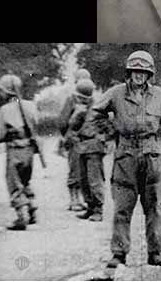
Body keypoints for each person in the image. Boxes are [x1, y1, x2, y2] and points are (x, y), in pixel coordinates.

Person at [92, 50, 161, 268]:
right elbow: (96, 113)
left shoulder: (159, 94)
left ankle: (156, 253)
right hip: (125, 155)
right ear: (129, 73)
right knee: (122, 207)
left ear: (148, 74)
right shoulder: (116, 93)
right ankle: (119, 253)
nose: (139, 76)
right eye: (135, 71)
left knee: (154, 207)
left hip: (150, 154)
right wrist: (111, 132)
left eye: (143, 72)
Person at [0, 75, 40, 230]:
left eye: (2, 90)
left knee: (14, 182)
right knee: (26, 180)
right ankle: (32, 209)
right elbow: (35, 125)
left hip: (14, 150)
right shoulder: (31, 106)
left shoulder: (5, 110)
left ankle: (22, 216)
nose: (0, 93)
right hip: (29, 150)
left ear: (8, 92)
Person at [69, 79, 110, 222]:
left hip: (94, 147)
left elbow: (110, 126)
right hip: (81, 147)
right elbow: (72, 126)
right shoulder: (80, 109)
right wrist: (77, 114)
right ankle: (90, 207)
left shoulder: (99, 108)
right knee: (83, 179)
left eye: (80, 97)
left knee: (94, 179)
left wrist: (102, 138)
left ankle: (98, 210)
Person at [59, 68, 92, 212]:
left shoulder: (87, 100)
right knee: (76, 170)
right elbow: (62, 122)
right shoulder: (73, 99)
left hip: (83, 140)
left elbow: (62, 122)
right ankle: (74, 200)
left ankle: (81, 199)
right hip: (78, 139)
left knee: (82, 170)